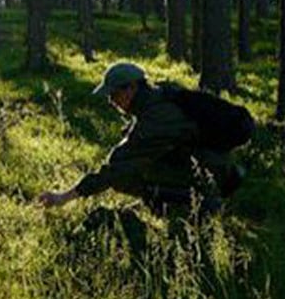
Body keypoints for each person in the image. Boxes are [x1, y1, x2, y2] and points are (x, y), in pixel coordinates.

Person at [39, 62, 243, 215]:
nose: (111, 101)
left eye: (114, 94)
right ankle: (178, 200)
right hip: (213, 165)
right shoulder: (158, 99)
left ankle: (201, 205)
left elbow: (116, 168)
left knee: (125, 176)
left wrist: (64, 197)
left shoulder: (157, 118)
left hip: (212, 173)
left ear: (131, 89)